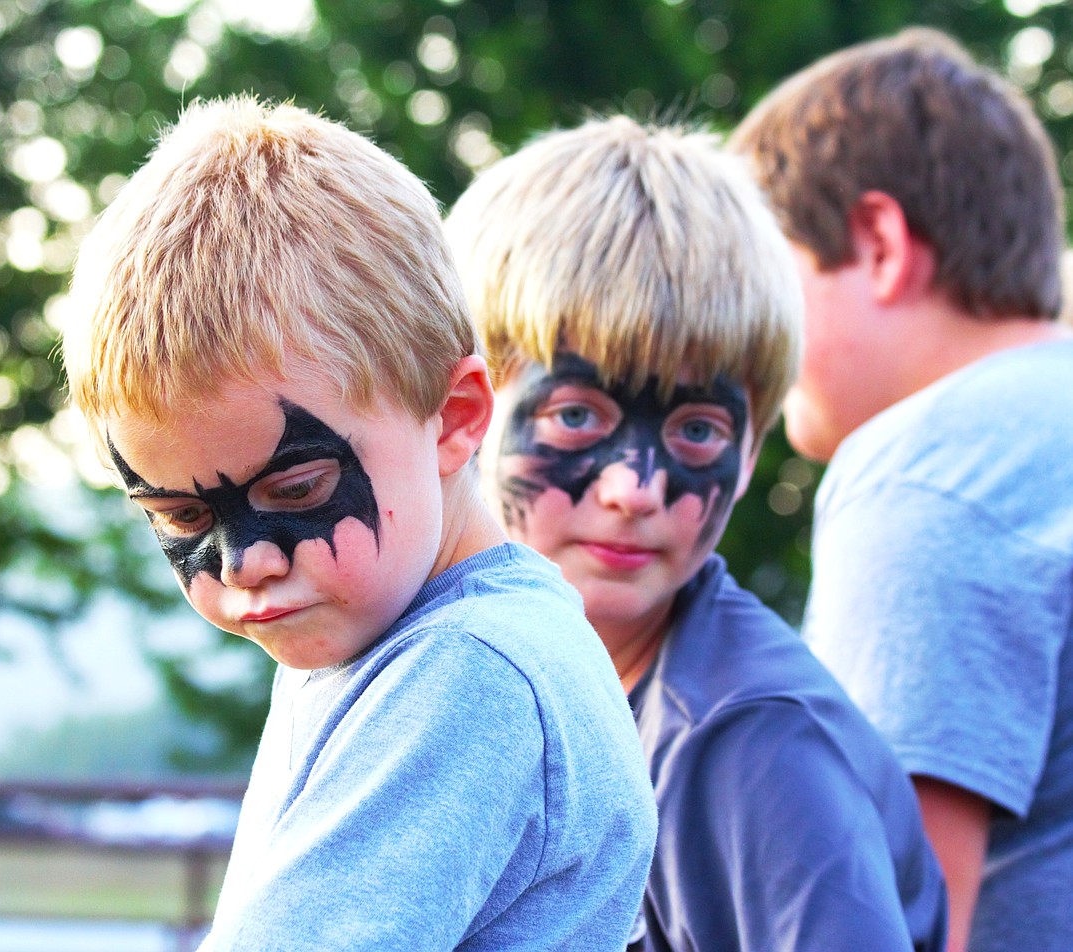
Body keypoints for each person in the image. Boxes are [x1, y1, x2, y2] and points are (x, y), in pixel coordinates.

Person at [61, 96, 658, 951]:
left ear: (453, 418)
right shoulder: (375, 635)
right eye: (183, 513)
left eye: (298, 490)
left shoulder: (469, 674)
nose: (245, 563)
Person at [446, 113, 947, 952]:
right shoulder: (500, 683)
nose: (635, 490)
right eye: (577, 416)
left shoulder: (753, 745)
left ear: (751, 454)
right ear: (468, 411)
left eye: (698, 432)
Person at [731, 27, 1073, 952]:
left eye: (767, 276)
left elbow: (879, 923)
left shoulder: (931, 467)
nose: (745, 334)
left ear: (879, 241)